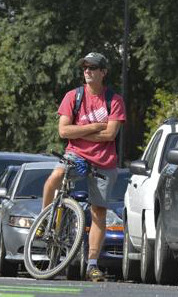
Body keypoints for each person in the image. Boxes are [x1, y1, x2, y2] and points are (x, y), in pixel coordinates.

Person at [42, 52, 126, 282]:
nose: (87, 71)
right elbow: (63, 131)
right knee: (56, 176)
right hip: (76, 155)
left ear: (103, 72)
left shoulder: (114, 100)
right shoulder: (73, 96)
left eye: (93, 67)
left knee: (98, 211)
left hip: (104, 161)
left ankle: (92, 264)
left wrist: (82, 130)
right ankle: (45, 221)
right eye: (85, 67)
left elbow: (111, 134)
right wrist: (96, 126)